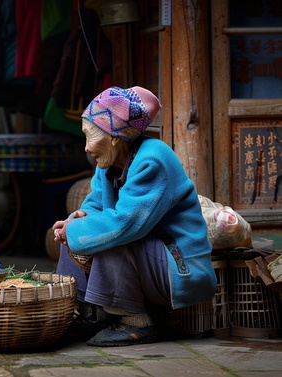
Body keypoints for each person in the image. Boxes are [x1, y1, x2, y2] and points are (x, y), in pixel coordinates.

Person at [53, 86, 217, 347]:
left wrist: (76, 231)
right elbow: (94, 204)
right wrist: (76, 219)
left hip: (180, 266)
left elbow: (126, 225)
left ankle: (136, 323)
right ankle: (90, 314)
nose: (86, 147)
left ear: (114, 137)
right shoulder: (108, 162)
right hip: (149, 258)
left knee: (110, 238)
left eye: (90, 137)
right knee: (75, 236)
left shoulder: (153, 158)